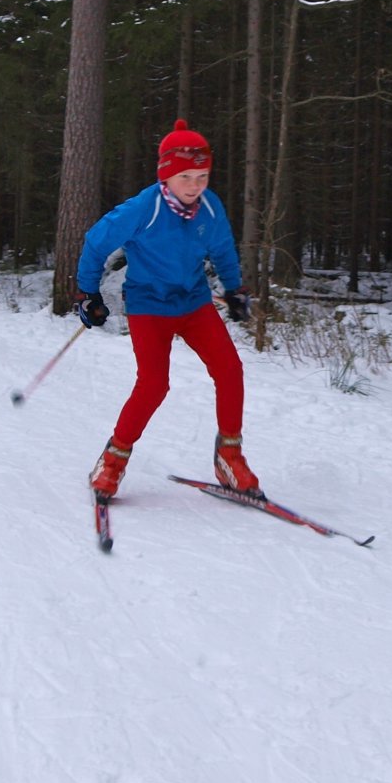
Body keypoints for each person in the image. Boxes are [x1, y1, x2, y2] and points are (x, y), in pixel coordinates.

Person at [77, 120, 259, 499]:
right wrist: (87, 294)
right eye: (186, 177)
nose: (195, 185)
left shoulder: (209, 207)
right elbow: (96, 242)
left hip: (193, 303)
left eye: (203, 176)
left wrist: (234, 288)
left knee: (230, 370)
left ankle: (229, 457)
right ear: (166, 175)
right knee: (154, 384)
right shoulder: (144, 208)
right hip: (148, 307)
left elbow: (223, 248)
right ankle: (112, 461)